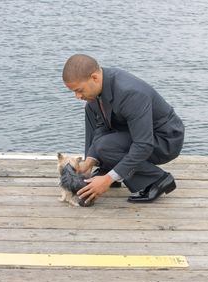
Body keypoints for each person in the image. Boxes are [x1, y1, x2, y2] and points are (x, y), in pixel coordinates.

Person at [62, 54, 185, 205]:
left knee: (105, 147)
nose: (77, 96)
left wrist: (108, 180)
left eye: (79, 90)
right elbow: (102, 125)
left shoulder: (130, 93)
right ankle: (107, 167)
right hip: (135, 131)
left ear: (94, 78)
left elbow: (143, 145)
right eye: (73, 91)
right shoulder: (98, 90)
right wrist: (89, 161)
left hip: (164, 139)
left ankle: (157, 179)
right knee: (91, 110)